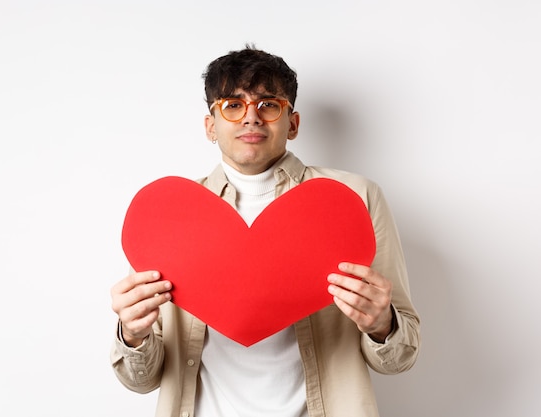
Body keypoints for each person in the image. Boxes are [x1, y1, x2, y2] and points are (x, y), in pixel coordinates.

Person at [110, 45, 420, 417]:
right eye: (233, 105)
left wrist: (382, 325)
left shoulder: (354, 199)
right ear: (211, 125)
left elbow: (399, 359)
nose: (251, 118)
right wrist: (132, 334)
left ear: (292, 123)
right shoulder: (170, 214)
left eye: (269, 105)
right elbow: (140, 380)